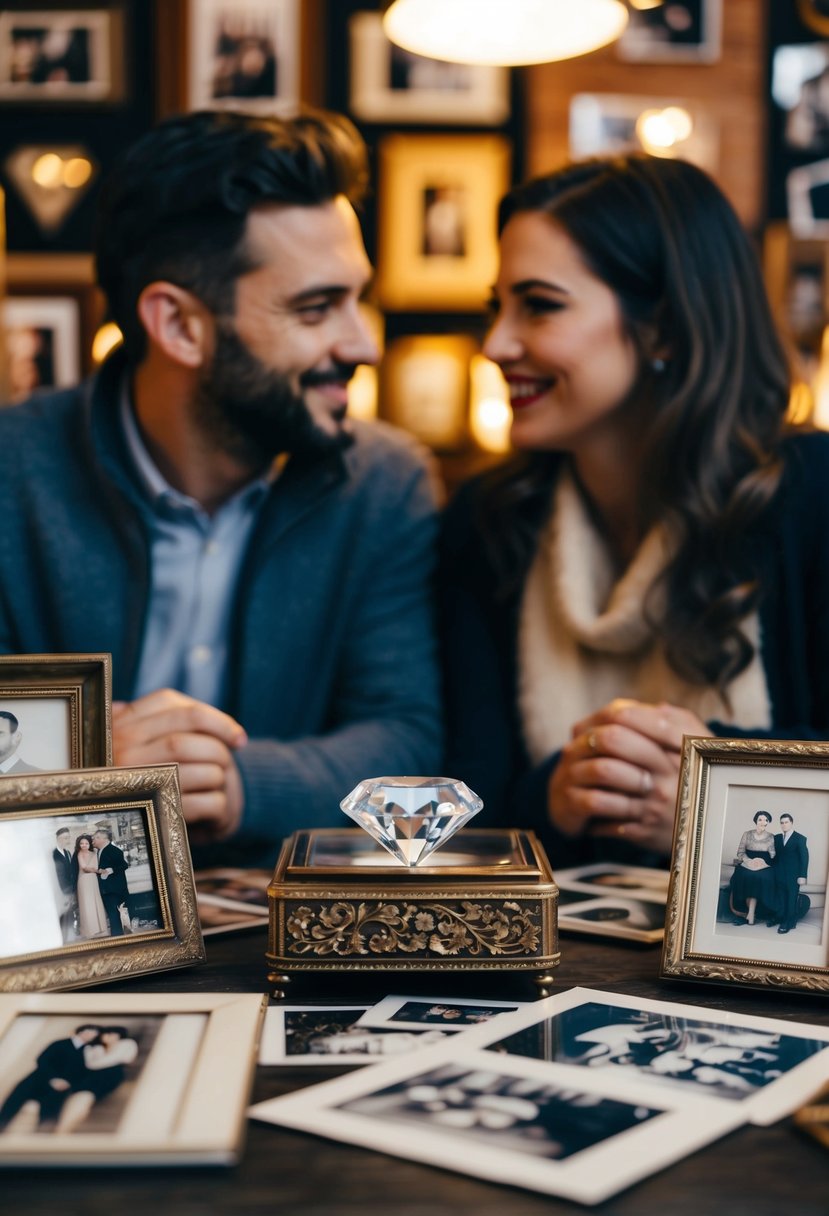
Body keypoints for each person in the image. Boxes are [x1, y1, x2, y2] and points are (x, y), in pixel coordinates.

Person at [0, 108, 441, 861]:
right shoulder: (13, 474)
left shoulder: (385, 484)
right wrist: (80, 763)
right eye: (315, 308)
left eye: (356, 298)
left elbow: (410, 739)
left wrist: (240, 783)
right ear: (179, 326)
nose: (363, 343)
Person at [441, 153, 829, 870]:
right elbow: (465, 805)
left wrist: (715, 786)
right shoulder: (489, 523)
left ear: (665, 331)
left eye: (539, 305)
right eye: (495, 306)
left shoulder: (811, 495)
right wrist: (556, 796)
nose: (495, 344)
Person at [0, 1024, 100, 1133]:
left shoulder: (87, 1051)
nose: (90, 1036)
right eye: (89, 1032)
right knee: (10, 1108)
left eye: (93, 1035)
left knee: (48, 1118)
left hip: (60, 1088)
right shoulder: (60, 1044)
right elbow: (42, 1060)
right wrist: (53, 1078)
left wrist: (68, 1083)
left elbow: (83, 1071)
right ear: (81, 1032)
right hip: (37, 1080)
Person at [54, 1025, 139, 1135]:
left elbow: (124, 1059)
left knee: (84, 1096)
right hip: (90, 1077)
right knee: (80, 1098)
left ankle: (63, 1129)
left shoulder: (127, 1044)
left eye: (113, 1034)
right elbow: (90, 1064)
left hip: (109, 1075)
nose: (109, 1036)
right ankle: (63, 1129)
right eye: (106, 1034)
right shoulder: (94, 1048)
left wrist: (101, 1060)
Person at [727, 811, 777, 927]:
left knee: (760, 877)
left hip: (764, 864)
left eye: (765, 820)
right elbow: (740, 852)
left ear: (768, 822)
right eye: (760, 819)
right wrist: (748, 861)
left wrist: (763, 861)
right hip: (748, 862)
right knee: (745, 875)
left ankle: (751, 913)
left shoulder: (771, 837)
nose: (763, 822)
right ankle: (747, 912)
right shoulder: (747, 834)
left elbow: (773, 856)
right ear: (756, 821)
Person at [772, 813, 810, 934]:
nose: (784, 825)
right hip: (779, 874)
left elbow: (804, 858)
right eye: (782, 823)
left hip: (794, 875)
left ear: (791, 823)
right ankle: (783, 918)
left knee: (791, 898)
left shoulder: (800, 838)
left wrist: (802, 876)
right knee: (781, 898)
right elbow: (774, 856)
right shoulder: (777, 838)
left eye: (786, 822)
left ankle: (788, 923)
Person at [92, 828, 130, 938]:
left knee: (114, 916)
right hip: (107, 889)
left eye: (97, 837)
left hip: (114, 889)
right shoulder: (99, 851)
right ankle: (117, 937)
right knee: (113, 915)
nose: (94, 839)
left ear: (105, 839)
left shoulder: (114, 850)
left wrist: (110, 870)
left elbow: (124, 865)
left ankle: (118, 938)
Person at [73, 833, 110, 939]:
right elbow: (84, 867)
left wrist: (97, 870)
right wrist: (98, 870)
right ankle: (90, 930)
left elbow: (96, 865)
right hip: (84, 880)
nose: (84, 845)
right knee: (87, 904)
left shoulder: (94, 852)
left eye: (86, 843)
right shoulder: (79, 854)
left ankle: (100, 928)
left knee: (95, 901)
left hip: (93, 879)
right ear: (79, 845)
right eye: (82, 843)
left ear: (89, 844)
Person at [52, 826, 78, 941]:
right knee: (62, 915)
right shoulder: (54, 854)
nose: (68, 840)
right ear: (58, 839)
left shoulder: (67, 852)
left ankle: (70, 936)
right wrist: (65, 890)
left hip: (70, 888)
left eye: (68, 837)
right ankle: (62, 938)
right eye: (65, 838)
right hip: (60, 890)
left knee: (70, 912)